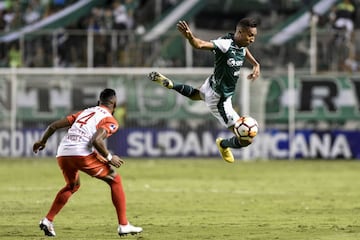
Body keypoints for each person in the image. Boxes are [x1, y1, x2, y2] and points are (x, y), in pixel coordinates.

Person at [32, 88, 142, 237]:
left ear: (98, 102)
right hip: (81, 153)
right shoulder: (110, 120)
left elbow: (53, 126)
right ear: (114, 105)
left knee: (72, 186)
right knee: (115, 180)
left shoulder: (84, 112)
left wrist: (42, 141)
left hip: (63, 152)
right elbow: (96, 141)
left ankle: (47, 220)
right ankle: (123, 225)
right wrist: (110, 158)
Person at [148, 18, 260, 163]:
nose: (252, 39)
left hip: (212, 84)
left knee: (196, 95)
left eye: (254, 36)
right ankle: (223, 144)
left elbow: (243, 50)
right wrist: (190, 37)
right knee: (246, 140)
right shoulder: (225, 44)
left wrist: (255, 64)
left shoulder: (238, 42)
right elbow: (200, 44)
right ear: (240, 32)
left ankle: (171, 84)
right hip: (220, 99)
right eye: (250, 35)